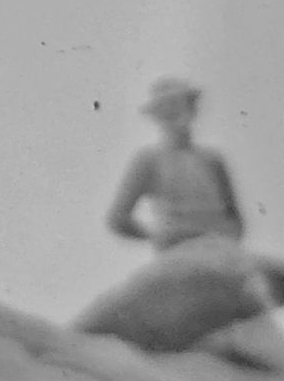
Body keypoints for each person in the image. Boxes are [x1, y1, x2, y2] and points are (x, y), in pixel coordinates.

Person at [106, 77, 247, 254]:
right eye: (165, 108)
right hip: (176, 251)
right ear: (157, 115)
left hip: (219, 248)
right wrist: (157, 235)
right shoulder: (149, 159)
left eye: (178, 105)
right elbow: (117, 219)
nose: (173, 113)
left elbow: (235, 217)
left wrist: (227, 239)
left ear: (192, 109)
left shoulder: (212, 159)